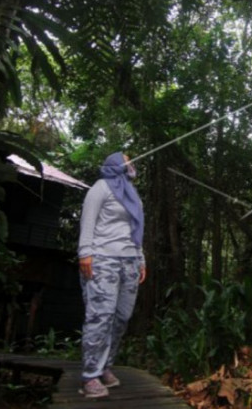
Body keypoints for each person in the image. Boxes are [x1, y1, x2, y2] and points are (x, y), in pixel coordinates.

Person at [77, 152, 147, 399]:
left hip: (129, 260)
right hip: (102, 259)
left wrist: (140, 259)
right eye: (127, 160)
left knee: (121, 317)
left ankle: (105, 365)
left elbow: (135, 228)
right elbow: (88, 222)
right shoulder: (100, 188)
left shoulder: (130, 191)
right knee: (100, 316)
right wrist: (85, 253)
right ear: (115, 164)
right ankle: (90, 376)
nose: (132, 164)